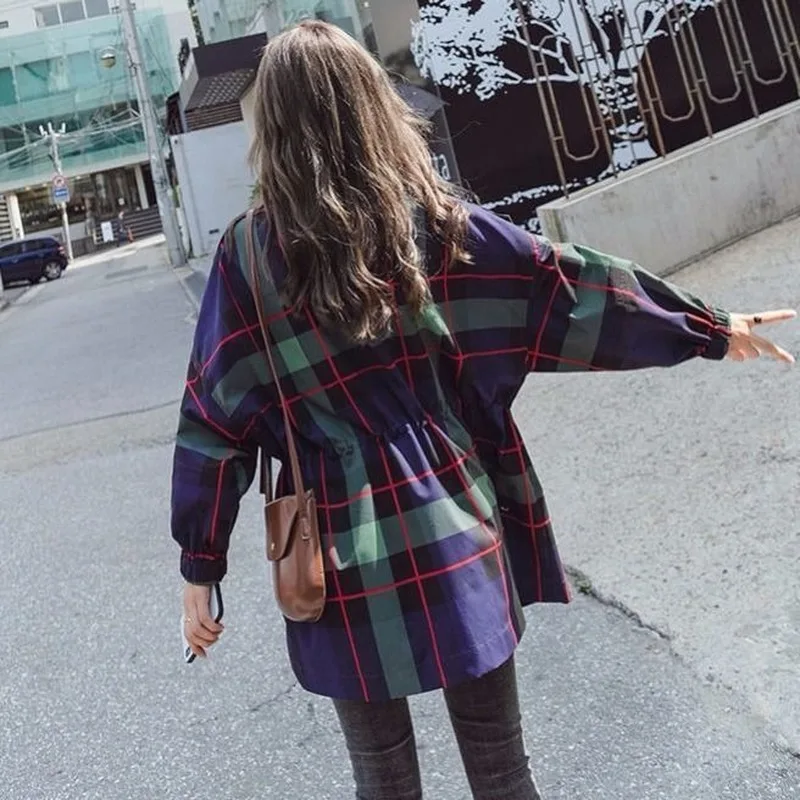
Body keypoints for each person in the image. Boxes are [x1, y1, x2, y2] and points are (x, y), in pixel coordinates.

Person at [171, 21, 795, 800]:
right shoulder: (432, 224)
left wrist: (201, 567)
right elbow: (564, 288)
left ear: (274, 125)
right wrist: (705, 327)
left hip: (336, 554)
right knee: (502, 772)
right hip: (453, 524)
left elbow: (214, 421)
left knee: (382, 784)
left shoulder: (246, 257)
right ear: (369, 103)